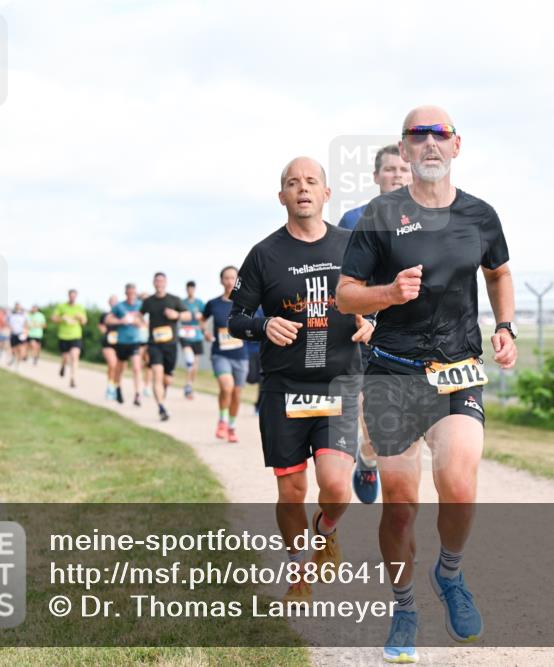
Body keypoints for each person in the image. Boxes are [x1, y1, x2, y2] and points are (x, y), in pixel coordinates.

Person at [337, 106, 517, 663]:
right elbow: (346, 294)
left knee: (460, 484)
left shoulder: (480, 215)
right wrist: (388, 294)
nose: (431, 143)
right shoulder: (380, 214)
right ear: (406, 149)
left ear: (457, 146)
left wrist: (505, 326)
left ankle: (450, 574)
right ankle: (405, 605)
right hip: (393, 372)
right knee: (399, 507)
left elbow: (499, 271)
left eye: (441, 134)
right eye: (420, 135)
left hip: (456, 371)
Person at [229, 156, 373, 603]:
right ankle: (297, 568)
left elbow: (387, 301)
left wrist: (374, 321)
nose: (303, 188)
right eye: (293, 183)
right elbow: (236, 318)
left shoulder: (354, 245)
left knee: (334, 485)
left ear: (327, 194)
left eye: (312, 181)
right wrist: (262, 326)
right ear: (282, 197)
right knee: (291, 490)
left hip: (339, 383)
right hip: (284, 388)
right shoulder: (264, 254)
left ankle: (325, 529)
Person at [339, 143, 412, 505]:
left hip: (416, 336)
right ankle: (369, 459)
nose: (397, 175)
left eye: (403, 169)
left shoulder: (432, 219)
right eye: (390, 169)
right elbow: (342, 283)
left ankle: (373, 461)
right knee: (374, 414)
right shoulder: (354, 220)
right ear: (375, 176)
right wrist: (360, 317)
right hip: (368, 331)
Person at [202, 266, 249, 442]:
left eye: (233, 278)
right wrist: (205, 332)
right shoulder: (213, 303)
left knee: (237, 394)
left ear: (237, 280)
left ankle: (231, 426)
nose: (230, 281)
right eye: (226, 278)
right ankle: (222, 421)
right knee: (226, 387)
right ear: (221, 280)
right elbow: (202, 320)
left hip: (240, 355)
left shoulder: (246, 303)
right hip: (220, 353)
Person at [140, 272, 189, 421]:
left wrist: (177, 315)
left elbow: (188, 315)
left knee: (167, 380)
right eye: (157, 281)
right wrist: (142, 324)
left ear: (166, 283)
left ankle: (163, 392)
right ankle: (161, 407)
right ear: (153, 283)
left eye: (162, 280)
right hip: (154, 344)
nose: (159, 283)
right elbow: (139, 315)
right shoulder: (148, 301)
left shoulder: (174, 300)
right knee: (157, 375)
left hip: (171, 345)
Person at [106, 284, 146, 406]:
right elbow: (108, 320)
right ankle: (118, 388)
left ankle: (138, 394)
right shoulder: (120, 306)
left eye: (133, 292)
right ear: (126, 293)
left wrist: (136, 322)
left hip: (135, 341)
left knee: (136, 367)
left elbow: (144, 322)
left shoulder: (140, 305)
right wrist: (121, 321)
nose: (131, 295)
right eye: (129, 292)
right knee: (120, 368)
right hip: (122, 342)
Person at [52, 289, 88, 389]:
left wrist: (81, 317)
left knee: (75, 356)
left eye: (74, 296)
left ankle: (73, 379)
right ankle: (63, 366)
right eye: (71, 296)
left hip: (76, 336)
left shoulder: (80, 307)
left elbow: (84, 322)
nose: (72, 297)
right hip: (63, 336)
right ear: (68, 296)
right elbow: (53, 318)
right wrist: (62, 318)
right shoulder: (61, 306)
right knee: (65, 358)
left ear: (76, 297)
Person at [179, 280, 206, 399]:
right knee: (189, 360)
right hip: (185, 333)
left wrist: (205, 330)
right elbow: (180, 316)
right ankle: (188, 386)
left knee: (195, 364)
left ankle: (189, 385)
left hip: (197, 335)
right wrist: (194, 316)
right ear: (186, 289)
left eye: (192, 288)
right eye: (188, 288)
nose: (190, 290)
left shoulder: (199, 303)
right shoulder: (182, 302)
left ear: (194, 289)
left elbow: (203, 318)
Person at [100, 295, 120, 400]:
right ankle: (110, 387)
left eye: (116, 301)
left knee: (118, 367)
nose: (114, 303)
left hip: (120, 344)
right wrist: (105, 331)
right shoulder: (105, 315)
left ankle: (115, 386)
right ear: (109, 303)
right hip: (108, 343)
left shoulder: (121, 316)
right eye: (112, 301)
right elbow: (101, 326)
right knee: (112, 364)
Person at [6, 302, 29, 368]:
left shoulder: (24, 315)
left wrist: (26, 333)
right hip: (13, 334)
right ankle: (13, 358)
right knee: (13, 349)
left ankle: (18, 364)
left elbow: (26, 324)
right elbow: (8, 323)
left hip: (21, 333)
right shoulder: (11, 314)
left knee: (20, 349)